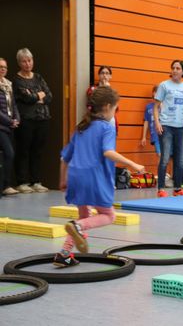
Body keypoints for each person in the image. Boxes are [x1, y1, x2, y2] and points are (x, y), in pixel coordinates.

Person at [54, 86, 144, 267]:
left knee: (85, 214)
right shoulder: (106, 128)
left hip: (76, 177)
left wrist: (63, 180)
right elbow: (108, 152)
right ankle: (78, 228)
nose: (115, 113)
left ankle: (64, 253)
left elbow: (64, 158)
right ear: (108, 106)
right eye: (116, 109)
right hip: (93, 178)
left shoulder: (81, 127)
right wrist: (132, 164)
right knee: (108, 215)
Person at [12, 48, 52, 193]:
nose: (28, 64)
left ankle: (36, 181)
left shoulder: (39, 77)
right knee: (23, 150)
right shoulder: (16, 80)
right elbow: (26, 98)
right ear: (19, 63)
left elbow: (49, 96)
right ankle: (22, 182)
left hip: (42, 118)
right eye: (24, 61)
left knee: (37, 151)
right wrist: (38, 96)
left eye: (30, 60)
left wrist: (36, 96)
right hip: (26, 120)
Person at [154, 60, 183, 197]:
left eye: (178, 68)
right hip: (166, 126)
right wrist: (157, 123)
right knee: (165, 158)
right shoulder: (164, 85)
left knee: (180, 160)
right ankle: (161, 188)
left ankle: (178, 188)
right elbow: (155, 107)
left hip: (181, 127)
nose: (175, 70)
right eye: (173, 68)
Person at [0, 58, 20, 196]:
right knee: (9, 153)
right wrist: (9, 121)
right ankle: (4, 185)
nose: (3, 69)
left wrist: (17, 118)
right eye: (0, 67)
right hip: (2, 126)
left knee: (8, 155)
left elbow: (13, 105)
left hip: (9, 126)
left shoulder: (8, 85)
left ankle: (5, 185)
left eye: (5, 67)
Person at [87, 66, 118, 134]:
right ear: (99, 75)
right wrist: (104, 88)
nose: (104, 75)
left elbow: (116, 108)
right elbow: (91, 104)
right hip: (96, 120)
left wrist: (108, 89)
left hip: (109, 120)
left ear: (110, 76)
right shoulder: (92, 89)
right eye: (102, 73)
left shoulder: (112, 91)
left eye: (107, 73)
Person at [140, 85, 161, 156]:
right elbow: (146, 121)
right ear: (153, 93)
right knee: (159, 155)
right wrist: (144, 137)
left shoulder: (165, 105)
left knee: (167, 157)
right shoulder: (148, 107)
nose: (157, 94)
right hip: (155, 134)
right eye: (155, 92)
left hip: (165, 134)